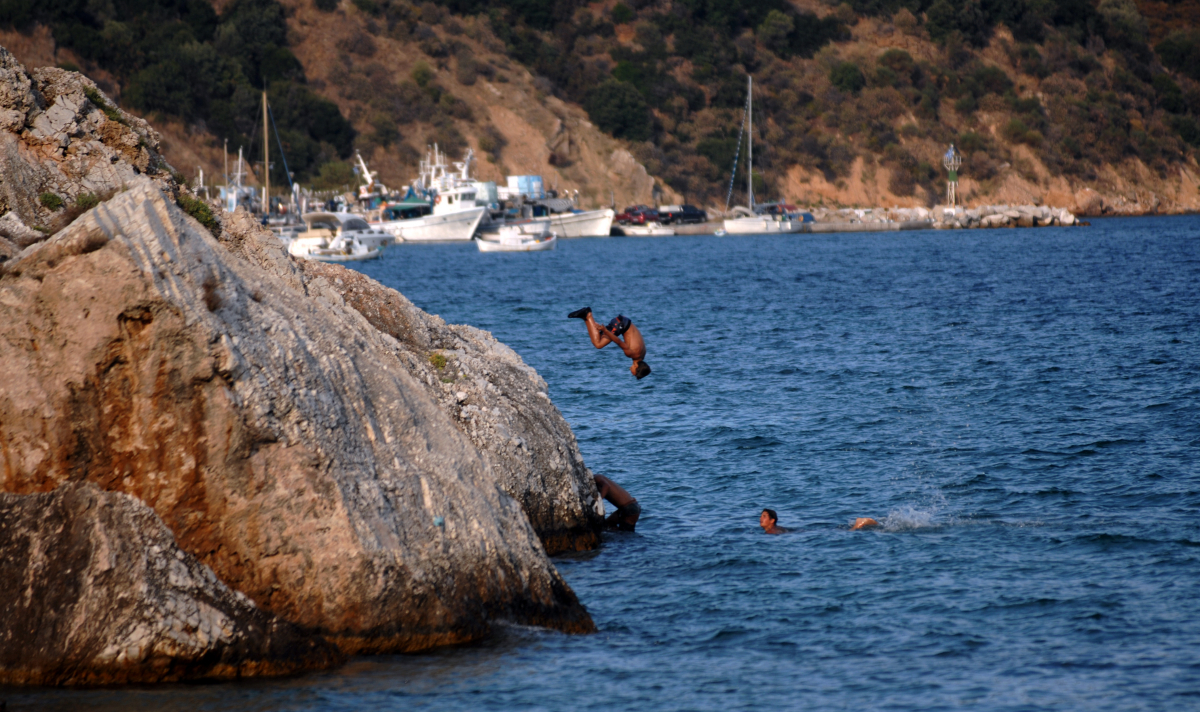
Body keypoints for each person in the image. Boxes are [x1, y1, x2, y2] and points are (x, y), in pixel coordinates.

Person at [568, 307, 650, 379]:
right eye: (634, 374)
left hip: (625, 322)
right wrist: (605, 331)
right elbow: (618, 341)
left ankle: (587, 318)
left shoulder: (642, 354)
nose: (632, 373)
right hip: (620, 324)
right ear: (636, 367)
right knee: (598, 344)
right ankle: (587, 315)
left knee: (598, 338)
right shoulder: (632, 354)